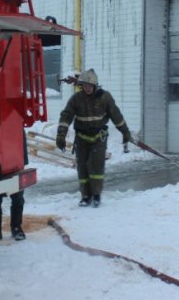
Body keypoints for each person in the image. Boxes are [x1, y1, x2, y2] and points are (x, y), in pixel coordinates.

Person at [55, 69, 132, 207]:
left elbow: (117, 116)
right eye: (84, 85)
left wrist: (125, 132)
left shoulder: (105, 98)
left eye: (90, 86)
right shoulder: (76, 99)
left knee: (96, 166)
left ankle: (96, 195)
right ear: (81, 85)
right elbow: (66, 116)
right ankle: (85, 196)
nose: (87, 88)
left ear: (95, 85)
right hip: (81, 138)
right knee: (82, 168)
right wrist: (61, 135)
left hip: (98, 138)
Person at [0, 130, 27, 243]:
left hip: (15, 163)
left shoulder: (17, 129)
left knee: (17, 197)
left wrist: (22, 163)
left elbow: (22, 148)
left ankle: (16, 228)